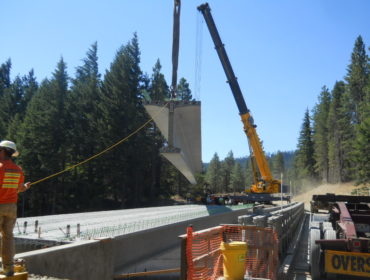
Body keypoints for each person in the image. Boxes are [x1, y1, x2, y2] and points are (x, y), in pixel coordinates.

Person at [0, 140, 30, 276]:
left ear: (3, 151)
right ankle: (8, 268)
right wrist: (25, 187)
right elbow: (19, 189)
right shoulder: (18, 169)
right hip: (11, 207)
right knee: (8, 237)